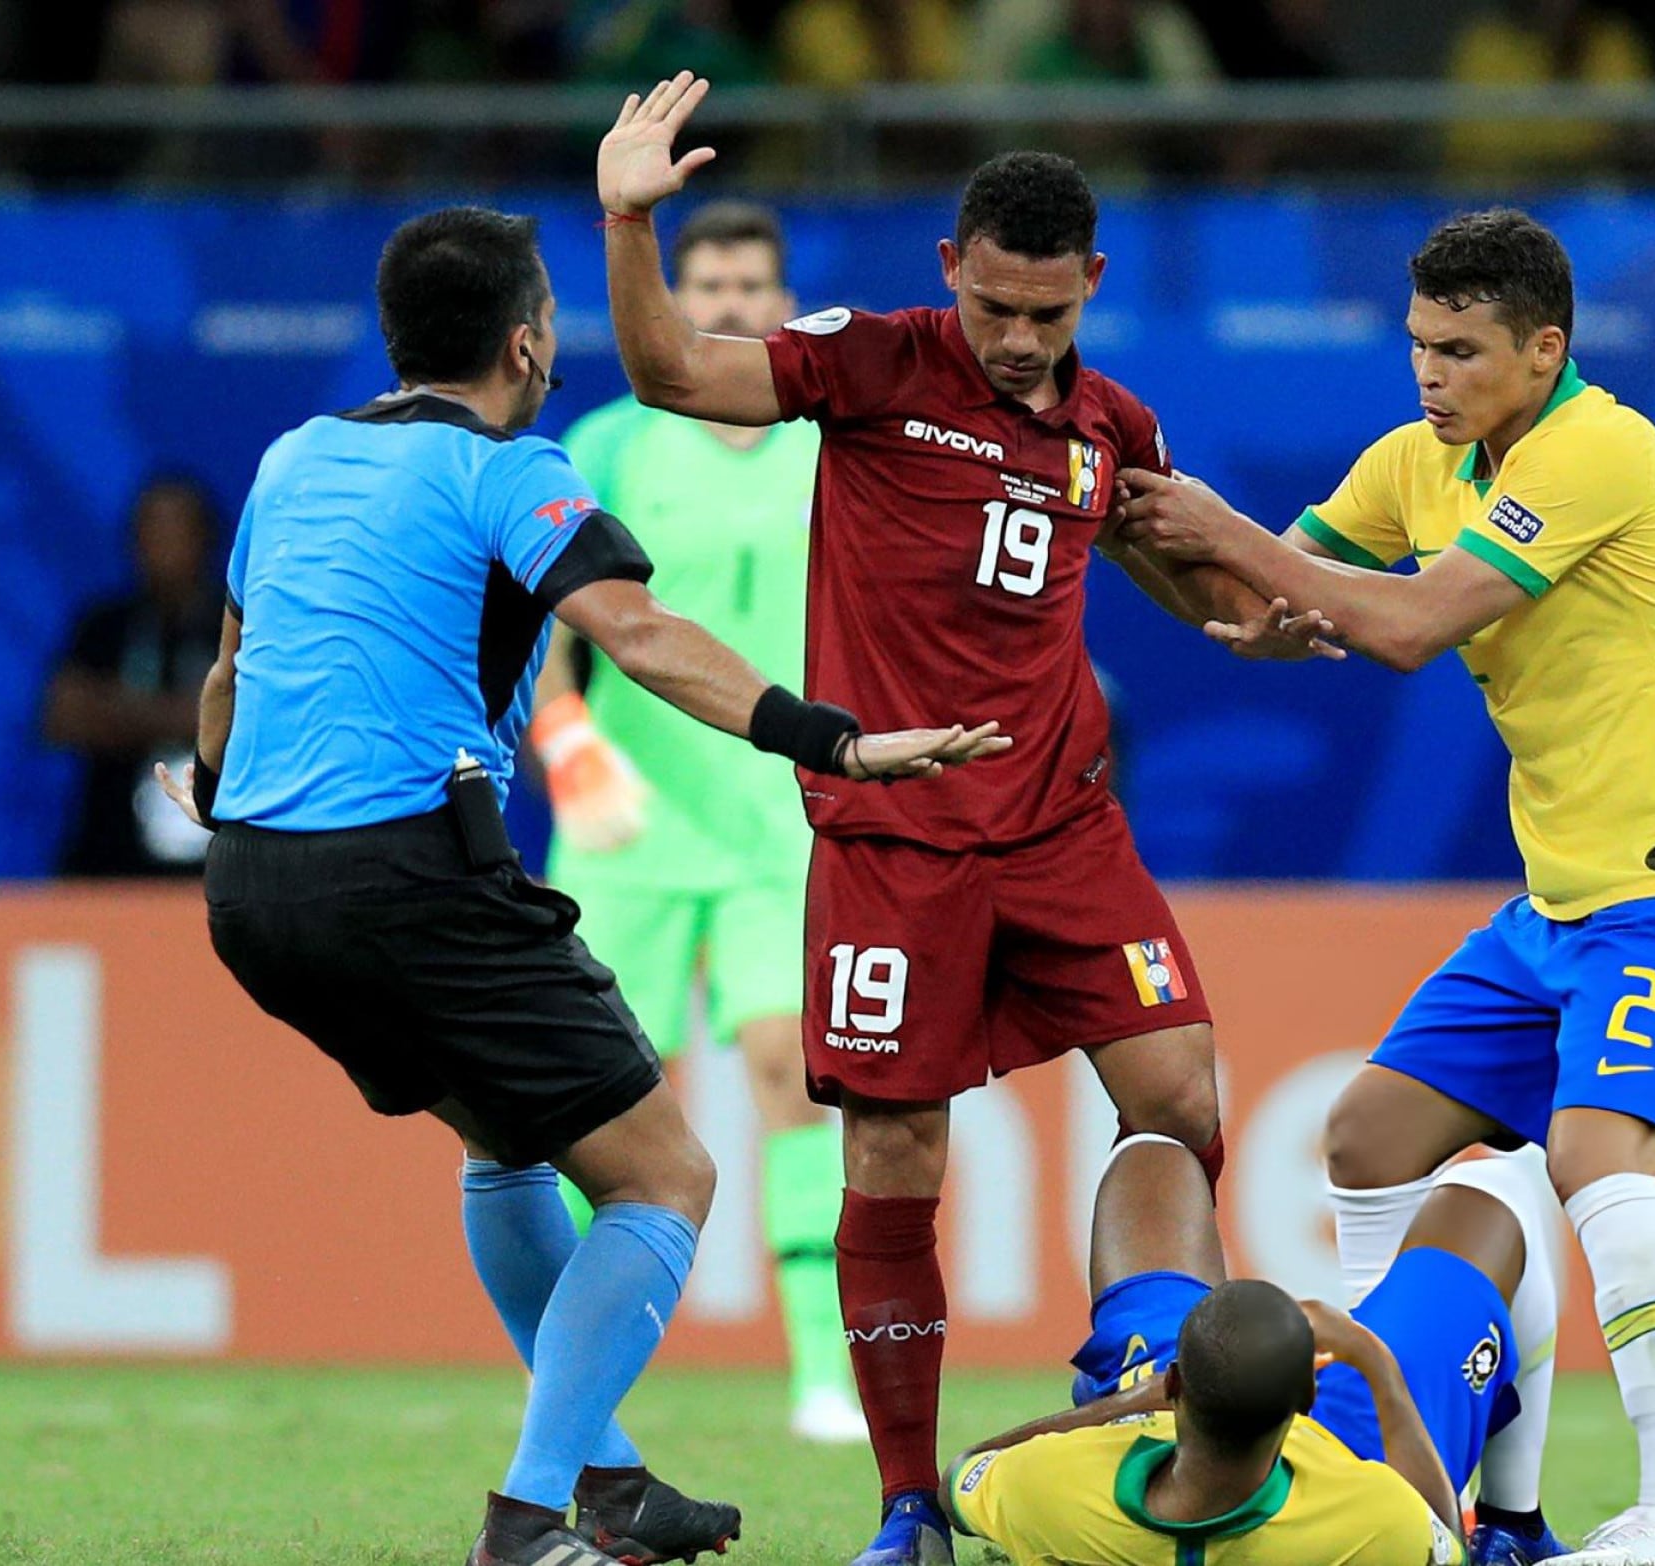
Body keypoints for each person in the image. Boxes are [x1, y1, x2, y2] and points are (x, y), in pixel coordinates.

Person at [155, 203, 1003, 1566]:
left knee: (508, 1146)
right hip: (412, 876)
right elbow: (639, 635)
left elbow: (228, 675)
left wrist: (211, 787)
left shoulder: (293, 455)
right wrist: (831, 740)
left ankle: (610, 1478)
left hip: (252, 888)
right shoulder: (518, 467)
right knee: (665, 1175)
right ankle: (529, 1517)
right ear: (527, 342)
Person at [594, 73, 1318, 1566]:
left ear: (1091, 284)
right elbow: (666, 371)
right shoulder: (870, 361)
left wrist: (1242, 619)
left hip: (1062, 832)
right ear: (950, 271)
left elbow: (1148, 554)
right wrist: (627, 221)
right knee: (891, 1158)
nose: (1019, 338)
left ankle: (1137, 1384)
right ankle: (907, 1504)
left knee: (1181, 1094)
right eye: (994, 306)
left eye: (1047, 312)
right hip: (893, 838)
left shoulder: (1111, 423)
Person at [1114, 207, 1655, 1566]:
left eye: (1463, 352)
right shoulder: (1413, 462)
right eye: (1420, 347)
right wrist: (1112, 516)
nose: (1432, 376)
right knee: (1368, 1138)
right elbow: (1255, 614)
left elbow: (1408, 624)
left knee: (1594, 1158)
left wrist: (1226, 526)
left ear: (1545, 349)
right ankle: (1481, 1506)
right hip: (1561, 905)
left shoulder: (1601, 446)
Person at [532, 198, 865, 1444]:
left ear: (783, 305)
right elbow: (546, 616)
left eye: (749, 287)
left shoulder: (832, 445)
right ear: (679, 301)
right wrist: (563, 739)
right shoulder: (612, 442)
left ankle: (824, 1375)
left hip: (783, 820)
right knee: (598, 1102)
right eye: (708, 287)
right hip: (629, 820)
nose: (729, 305)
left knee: (795, 1076)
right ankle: (561, 1375)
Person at [939, 1134, 1566, 1566]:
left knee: (1155, 1150)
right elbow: (1442, 1544)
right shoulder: (1372, 1519)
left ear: (1176, 1384)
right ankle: (1515, 1523)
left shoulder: (1049, 1487)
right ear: (1307, 1395)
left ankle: (1144, 1369)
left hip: (1138, 1433)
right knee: (1495, 1187)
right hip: (1354, 1447)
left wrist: (1128, 1402)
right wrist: (1376, 1364)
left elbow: (961, 1476)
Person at [45, 473, 227, 878]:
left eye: (177, 529)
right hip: (112, 863)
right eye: (151, 529)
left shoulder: (240, 628)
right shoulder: (103, 626)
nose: (163, 543)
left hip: (221, 870)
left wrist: (119, 713)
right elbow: (63, 718)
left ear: (207, 537)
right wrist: (200, 715)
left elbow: (262, 722)